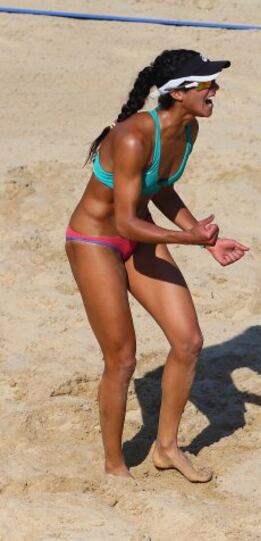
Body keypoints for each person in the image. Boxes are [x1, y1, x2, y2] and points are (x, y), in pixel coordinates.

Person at [65, 49, 249, 483]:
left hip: (139, 234)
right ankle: (115, 465)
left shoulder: (187, 131)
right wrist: (188, 238)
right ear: (180, 92)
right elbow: (125, 219)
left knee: (188, 341)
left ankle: (166, 448)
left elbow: (161, 188)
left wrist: (208, 241)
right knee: (123, 358)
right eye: (207, 84)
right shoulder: (133, 137)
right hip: (95, 241)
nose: (215, 90)